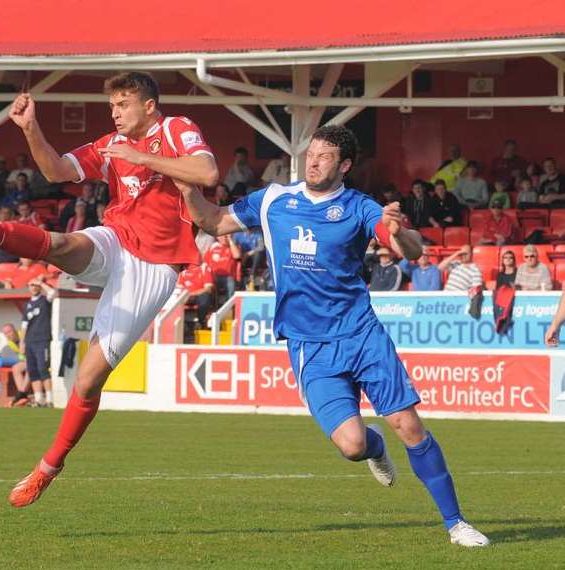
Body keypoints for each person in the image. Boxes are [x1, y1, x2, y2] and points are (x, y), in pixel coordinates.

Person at [177, 124, 489, 547]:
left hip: (361, 332)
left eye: (324, 157)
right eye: (311, 154)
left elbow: (411, 250)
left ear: (344, 165)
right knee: (352, 444)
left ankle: (456, 524)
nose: (314, 161)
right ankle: (374, 449)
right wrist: (184, 187)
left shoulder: (359, 207)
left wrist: (399, 233)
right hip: (310, 344)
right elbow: (213, 221)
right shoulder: (274, 199)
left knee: (409, 426)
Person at [0, 71, 218, 506]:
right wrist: (31, 128)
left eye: (122, 104)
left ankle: (48, 468)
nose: (114, 113)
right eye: (111, 105)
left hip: (155, 266)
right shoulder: (109, 146)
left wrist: (142, 156)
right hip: (117, 237)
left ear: (148, 106)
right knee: (62, 243)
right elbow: (56, 171)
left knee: (89, 379)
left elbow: (206, 171)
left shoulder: (176, 129)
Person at [21, 279, 55, 408]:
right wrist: (22, 343)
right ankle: (39, 399)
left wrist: (41, 283)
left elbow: (53, 292)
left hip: (42, 340)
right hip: (30, 341)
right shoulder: (28, 304)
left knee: (43, 369)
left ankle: (49, 399)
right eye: (31, 285)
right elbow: (24, 325)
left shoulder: (45, 300)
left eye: (36, 285)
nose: (34, 287)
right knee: (33, 371)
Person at [0, 323, 29, 408]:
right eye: (5, 333)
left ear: (14, 330)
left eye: (9, 332)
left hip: (37, 359)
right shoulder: (11, 343)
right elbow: (21, 357)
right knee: (15, 368)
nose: (8, 335)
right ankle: (23, 397)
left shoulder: (24, 335)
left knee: (31, 366)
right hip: (27, 360)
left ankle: (21, 394)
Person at [176, 262, 215, 328]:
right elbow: (179, 287)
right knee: (175, 299)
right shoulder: (183, 268)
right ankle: (181, 325)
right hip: (185, 296)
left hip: (198, 295)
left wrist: (191, 294)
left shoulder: (204, 267)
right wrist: (184, 296)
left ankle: (201, 321)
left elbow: (208, 288)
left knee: (204, 297)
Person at [204, 234, 241, 301]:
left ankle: (229, 306)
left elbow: (237, 256)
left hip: (228, 276)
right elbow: (205, 262)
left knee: (231, 284)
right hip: (213, 276)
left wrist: (230, 240)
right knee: (207, 286)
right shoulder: (213, 247)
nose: (224, 238)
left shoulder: (233, 246)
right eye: (222, 236)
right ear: (218, 237)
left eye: (226, 236)